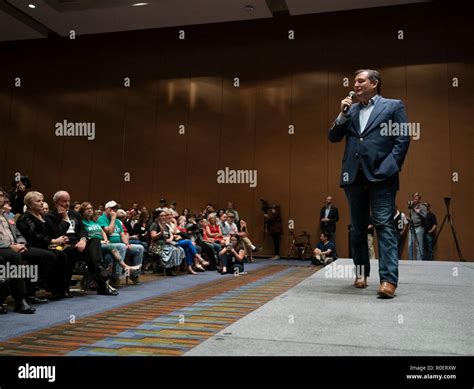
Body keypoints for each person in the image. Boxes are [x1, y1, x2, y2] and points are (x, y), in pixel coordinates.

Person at [328, 69, 410, 298]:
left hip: (382, 177)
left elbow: (403, 138)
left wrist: (391, 166)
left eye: (360, 80)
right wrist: (342, 114)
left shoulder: (393, 106)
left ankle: (388, 281)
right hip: (353, 177)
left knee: (384, 225)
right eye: (355, 81)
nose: (356, 84)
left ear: (374, 83)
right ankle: (361, 273)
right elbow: (333, 137)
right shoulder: (350, 109)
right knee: (357, 229)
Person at [44, 191, 117, 296]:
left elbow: (83, 230)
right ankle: (101, 282)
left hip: (78, 244)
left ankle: (99, 269)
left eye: (68, 201)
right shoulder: (50, 216)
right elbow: (56, 233)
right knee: (69, 252)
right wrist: (64, 218)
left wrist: (83, 240)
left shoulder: (75, 214)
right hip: (61, 244)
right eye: (64, 201)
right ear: (56, 203)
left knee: (95, 241)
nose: (67, 204)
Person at [16, 191, 71, 299]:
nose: (42, 203)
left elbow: (54, 232)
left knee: (62, 253)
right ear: (30, 204)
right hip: (30, 246)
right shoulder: (26, 218)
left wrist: (60, 239)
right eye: (38, 201)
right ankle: (32, 288)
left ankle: (57, 289)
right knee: (50, 256)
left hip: (44, 245)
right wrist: (53, 241)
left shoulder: (42, 217)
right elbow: (33, 236)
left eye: (42, 200)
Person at [98, 201, 143, 284]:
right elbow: (109, 232)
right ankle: (116, 277)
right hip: (108, 245)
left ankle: (134, 275)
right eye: (112, 209)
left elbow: (122, 235)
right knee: (121, 246)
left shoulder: (118, 222)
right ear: (106, 209)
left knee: (140, 248)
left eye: (115, 209)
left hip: (120, 244)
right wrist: (113, 219)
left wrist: (127, 243)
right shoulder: (101, 219)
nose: (114, 211)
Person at [407, 192, 428, 261]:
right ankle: (410, 260)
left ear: (419, 199)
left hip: (419, 227)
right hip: (412, 226)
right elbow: (411, 215)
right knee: (410, 244)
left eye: (416, 199)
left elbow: (425, 217)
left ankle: (419, 261)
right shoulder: (411, 206)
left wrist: (419, 213)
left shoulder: (423, 207)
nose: (415, 200)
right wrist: (408, 218)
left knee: (419, 245)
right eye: (414, 199)